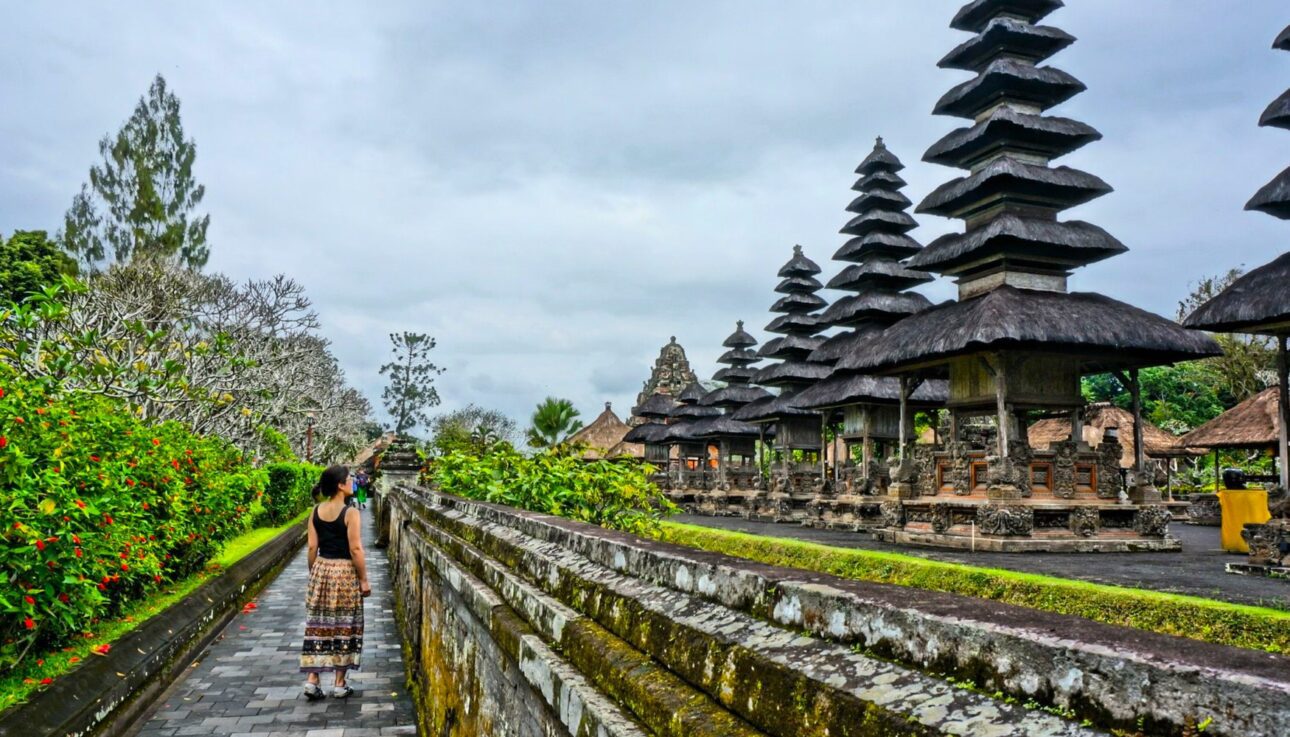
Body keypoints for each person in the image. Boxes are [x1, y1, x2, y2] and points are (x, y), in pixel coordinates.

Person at [299, 465, 371, 700]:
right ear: (340, 485)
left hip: (322, 567)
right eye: (349, 479)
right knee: (344, 624)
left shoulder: (316, 511)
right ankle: (340, 683)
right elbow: (356, 549)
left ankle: (312, 679)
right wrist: (363, 579)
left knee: (318, 623)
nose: (352, 481)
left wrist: (315, 572)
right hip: (344, 572)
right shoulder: (350, 513)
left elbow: (311, 547)